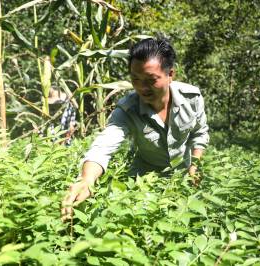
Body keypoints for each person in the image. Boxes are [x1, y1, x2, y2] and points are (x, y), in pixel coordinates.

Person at [61, 37, 209, 221]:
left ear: (170, 74)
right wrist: (86, 179)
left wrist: (195, 166)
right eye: (135, 79)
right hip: (144, 178)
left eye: (151, 80)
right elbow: (104, 146)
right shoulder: (128, 109)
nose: (142, 87)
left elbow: (199, 133)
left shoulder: (192, 98)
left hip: (182, 173)